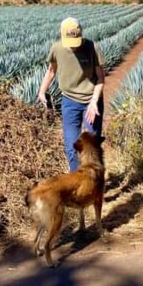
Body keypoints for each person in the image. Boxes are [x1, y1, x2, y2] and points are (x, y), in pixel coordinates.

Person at [38, 17, 105, 172]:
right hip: (69, 102)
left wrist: (94, 101)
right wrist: (42, 91)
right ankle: (76, 182)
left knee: (91, 147)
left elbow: (101, 78)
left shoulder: (92, 47)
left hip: (91, 102)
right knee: (71, 146)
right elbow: (51, 71)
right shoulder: (57, 49)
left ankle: (94, 185)